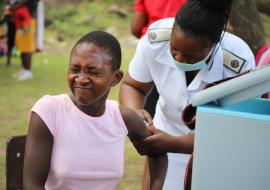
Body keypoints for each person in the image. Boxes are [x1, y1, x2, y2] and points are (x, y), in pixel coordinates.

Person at [119, 0, 255, 189]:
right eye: (174, 50)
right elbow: (133, 85)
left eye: (191, 57)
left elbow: (234, 129)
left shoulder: (237, 61)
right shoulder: (155, 40)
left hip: (216, 149)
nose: (179, 59)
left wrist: (174, 144)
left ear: (214, 44)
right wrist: (135, 113)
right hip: (165, 136)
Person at [23, 31, 168, 190]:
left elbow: (158, 153)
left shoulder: (122, 117)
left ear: (116, 78)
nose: (81, 79)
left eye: (93, 71)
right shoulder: (50, 111)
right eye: (75, 69)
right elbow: (32, 185)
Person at [11, 0, 39, 81]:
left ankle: (28, 72)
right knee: (22, 48)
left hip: (29, 21)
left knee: (27, 48)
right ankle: (24, 69)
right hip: (20, 21)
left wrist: (13, 7)